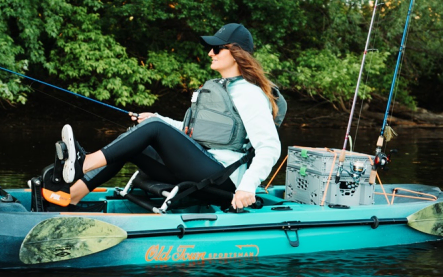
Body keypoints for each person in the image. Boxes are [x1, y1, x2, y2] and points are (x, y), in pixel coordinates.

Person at [45, 23, 282, 211]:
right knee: (133, 140)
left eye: (217, 48)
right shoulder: (223, 87)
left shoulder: (249, 93)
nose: (210, 52)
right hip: (202, 165)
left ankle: (82, 163)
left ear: (237, 54)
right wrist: (156, 117)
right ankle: (73, 195)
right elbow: (192, 131)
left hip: (224, 179)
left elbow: (270, 147)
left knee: (154, 128)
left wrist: (247, 188)